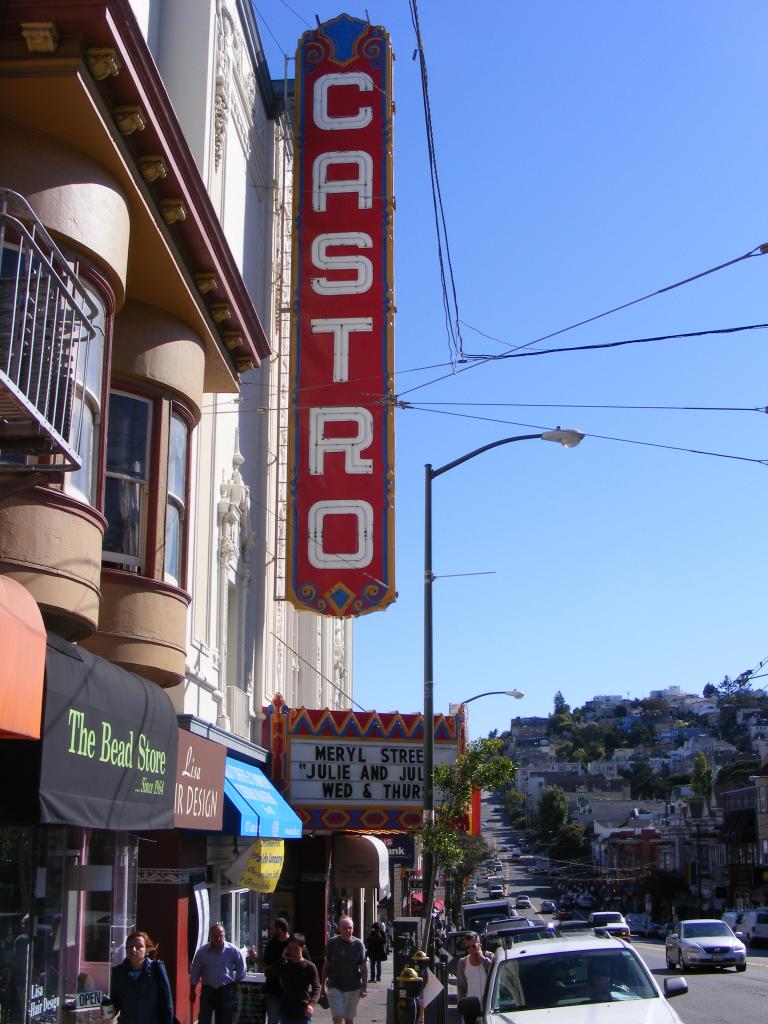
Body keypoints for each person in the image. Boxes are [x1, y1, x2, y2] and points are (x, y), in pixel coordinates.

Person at [110, 930, 174, 1024]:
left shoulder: (156, 969)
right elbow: (116, 1002)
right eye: (129, 946)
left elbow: (167, 1003)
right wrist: (107, 1012)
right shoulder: (118, 972)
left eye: (138, 946)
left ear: (146, 950)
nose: (133, 949)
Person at [189, 923, 246, 1024]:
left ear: (224, 935)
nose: (218, 939)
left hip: (225, 990)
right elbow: (195, 970)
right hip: (208, 990)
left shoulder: (232, 950)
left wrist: (236, 982)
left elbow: (242, 966)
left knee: (224, 1020)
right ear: (210, 936)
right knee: (204, 1019)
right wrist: (192, 990)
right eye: (215, 936)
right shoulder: (202, 952)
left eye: (221, 936)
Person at [320, 916, 367, 1024]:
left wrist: (364, 987)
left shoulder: (358, 944)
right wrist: (323, 985)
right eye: (345, 928)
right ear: (339, 928)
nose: (348, 930)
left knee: (348, 1019)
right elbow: (326, 965)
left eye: (350, 928)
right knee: (337, 1017)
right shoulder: (332, 943)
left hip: (353, 987)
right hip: (335, 986)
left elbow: (363, 968)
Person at [278, 933, 320, 1024]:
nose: (293, 952)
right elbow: (268, 973)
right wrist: (282, 958)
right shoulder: (284, 965)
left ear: (303, 948)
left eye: (296, 949)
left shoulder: (309, 967)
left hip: (303, 1012)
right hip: (286, 1013)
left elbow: (316, 987)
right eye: (290, 948)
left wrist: (311, 1004)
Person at [456, 933, 491, 1024]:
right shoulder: (463, 962)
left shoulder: (490, 957)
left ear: (480, 945)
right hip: (472, 1012)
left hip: (490, 1009)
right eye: (468, 947)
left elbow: (493, 971)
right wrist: (462, 1008)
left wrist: (482, 958)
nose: (471, 949)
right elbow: (461, 988)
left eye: (474, 946)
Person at [262, 918, 291, 1024]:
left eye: (272, 929)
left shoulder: (294, 944)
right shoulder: (271, 944)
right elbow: (265, 966)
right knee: (273, 1020)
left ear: (279, 929)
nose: (270, 931)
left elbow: (307, 964)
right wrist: (255, 959)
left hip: (291, 992)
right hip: (273, 990)